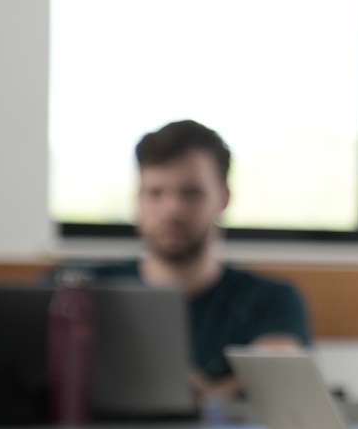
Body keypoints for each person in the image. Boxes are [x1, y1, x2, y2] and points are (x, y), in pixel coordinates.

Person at [70, 120, 311, 401]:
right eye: (155, 193)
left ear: (223, 198)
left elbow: (278, 377)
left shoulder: (271, 300)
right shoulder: (82, 292)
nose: (172, 210)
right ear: (137, 200)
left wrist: (199, 398)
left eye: (191, 194)